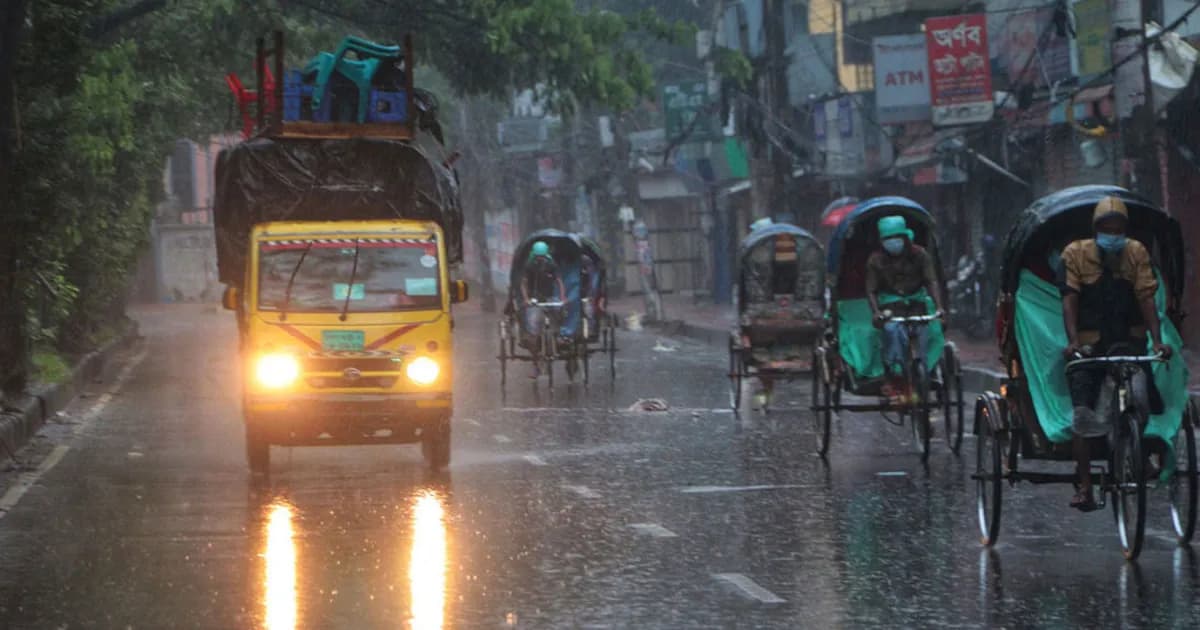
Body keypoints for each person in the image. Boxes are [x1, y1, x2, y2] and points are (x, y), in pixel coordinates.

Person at [1059, 196, 1171, 511]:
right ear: (1096, 229)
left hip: (1129, 342)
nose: (1113, 233)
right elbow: (1070, 300)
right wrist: (1073, 342)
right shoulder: (1075, 254)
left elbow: (1147, 298)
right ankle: (1084, 485)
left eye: (1118, 228)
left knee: (1142, 395)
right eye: (1106, 228)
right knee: (1083, 415)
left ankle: (1139, 450)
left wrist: (1157, 340)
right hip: (1089, 344)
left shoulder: (1136, 252)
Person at [865, 216, 944, 401]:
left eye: (897, 238)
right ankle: (895, 373)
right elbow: (871, 290)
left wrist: (940, 308)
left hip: (917, 305)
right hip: (890, 308)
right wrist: (876, 312)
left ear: (905, 237)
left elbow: (931, 281)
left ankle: (926, 370)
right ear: (882, 242)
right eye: (888, 239)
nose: (893, 242)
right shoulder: (875, 261)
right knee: (892, 332)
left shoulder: (920, 255)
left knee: (927, 332)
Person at [520, 241, 566, 378]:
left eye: (542, 256)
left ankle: (559, 338)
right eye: (538, 257)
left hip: (550, 298)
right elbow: (523, 283)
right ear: (534, 255)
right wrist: (526, 299)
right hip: (534, 300)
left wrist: (563, 298)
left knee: (559, 315)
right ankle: (535, 364)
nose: (540, 259)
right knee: (533, 331)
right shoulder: (529, 266)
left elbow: (559, 281)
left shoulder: (552, 265)